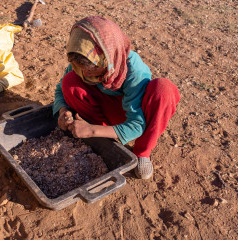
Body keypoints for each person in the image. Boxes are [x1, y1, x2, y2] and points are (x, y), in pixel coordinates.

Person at [53, 16, 180, 179]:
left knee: (164, 90)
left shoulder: (133, 69)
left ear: (109, 57)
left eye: (92, 69)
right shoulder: (81, 61)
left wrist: (91, 130)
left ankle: (142, 152)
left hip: (134, 113)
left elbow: (137, 125)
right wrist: (63, 110)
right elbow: (60, 91)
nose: (85, 73)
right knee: (69, 81)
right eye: (80, 68)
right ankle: (105, 138)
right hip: (105, 112)